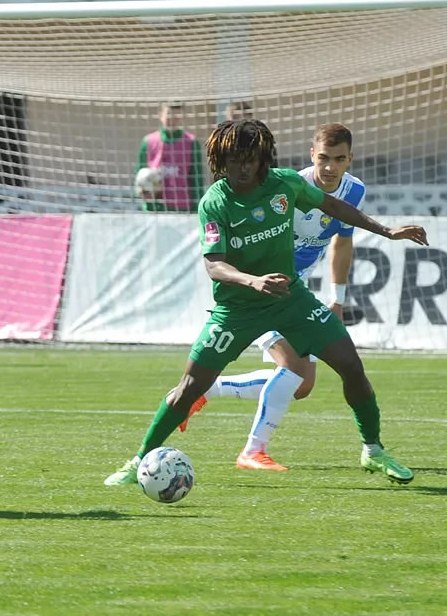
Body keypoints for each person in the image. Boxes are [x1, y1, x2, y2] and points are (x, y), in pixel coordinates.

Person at [104, 118, 426, 488]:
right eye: (234, 160)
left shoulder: (284, 184)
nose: (242, 168)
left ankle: (373, 450)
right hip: (237, 309)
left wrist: (386, 231)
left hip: (290, 300)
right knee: (189, 386)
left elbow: (333, 207)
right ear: (220, 161)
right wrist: (253, 281)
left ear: (262, 159)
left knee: (351, 366)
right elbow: (214, 265)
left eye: (250, 160)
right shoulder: (215, 202)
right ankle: (138, 462)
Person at [179, 123, 365, 472]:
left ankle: (204, 390)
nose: (329, 167)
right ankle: (253, 450)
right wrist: (252, 279)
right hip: (261, 289)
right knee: (293, 371)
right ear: (312, 155)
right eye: (323, 158)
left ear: (349, 159)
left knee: (302, 385)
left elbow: (342, 243)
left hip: (296, 292)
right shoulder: (284, 186)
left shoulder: (354, 191)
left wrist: (337, 299)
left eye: (339, 159)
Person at [136, 102, 204, 212]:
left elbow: (197, 178)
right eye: (169, 115)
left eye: (177, 116)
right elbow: (139, 173)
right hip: (154, 207)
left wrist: (197, 207)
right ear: (161, 115)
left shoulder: (191, 142)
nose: (172, 120)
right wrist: (141, 191)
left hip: (182, 207)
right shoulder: (148, 141)